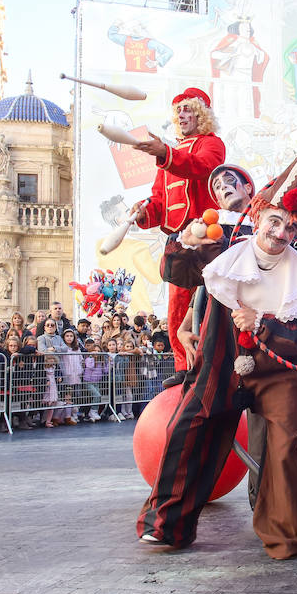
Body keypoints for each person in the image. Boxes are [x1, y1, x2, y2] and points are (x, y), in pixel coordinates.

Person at [137, 157, 297, 559]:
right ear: (259, 218)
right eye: (275, 221)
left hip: (279, 372)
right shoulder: (225, 251)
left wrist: (264, 324)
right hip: (222, 361)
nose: (281, 233)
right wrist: (184, 238)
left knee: (280, 448)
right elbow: (175, 270)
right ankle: (166, 526)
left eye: (291, 227)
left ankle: (287, 535)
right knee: (190, 426)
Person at [120, 88, 227, 389]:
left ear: (201, 115)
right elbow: (159, 202)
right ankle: (184, 366)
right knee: (177, 308)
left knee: (207, 306)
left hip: (206, 239)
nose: (181, 115)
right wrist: (143, 213)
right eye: (178, 110)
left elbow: (202, 168)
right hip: (179, 241)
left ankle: (211, 366)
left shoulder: (212, 144)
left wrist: (164, 153)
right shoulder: (169, 156)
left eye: (187, 110)